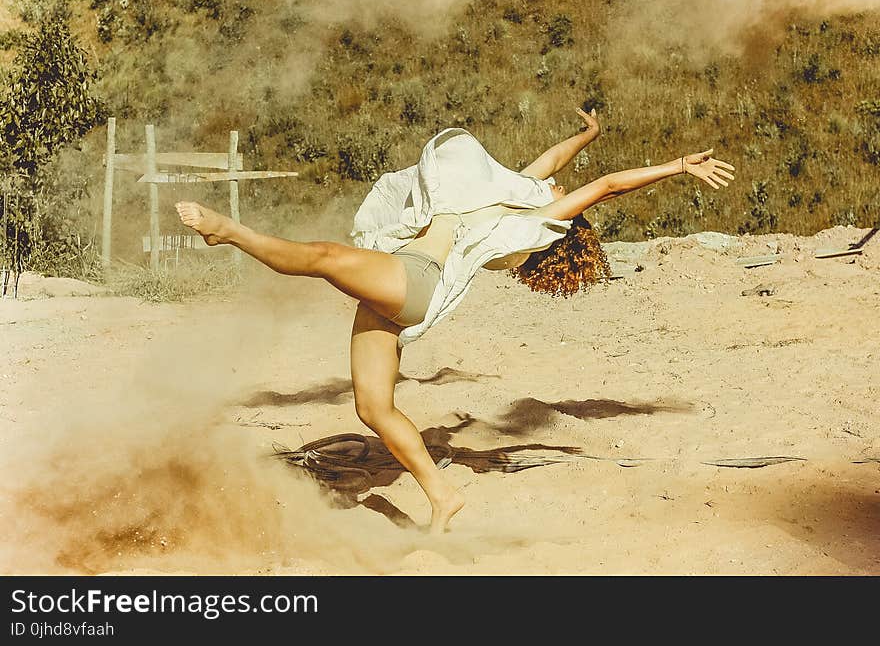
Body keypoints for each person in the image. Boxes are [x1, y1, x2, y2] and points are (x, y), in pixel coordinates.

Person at [175, 108, 735, 534]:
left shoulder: (539, 215)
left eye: (564, 194)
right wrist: (587, 136)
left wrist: (680, 166)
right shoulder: (507, 194)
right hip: (394, 295)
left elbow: (608, 184)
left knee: (322, 257)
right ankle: (443, 496)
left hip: (413, 278)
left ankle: (230, 233)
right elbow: (552, 163)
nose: (558, 183)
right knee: (373, 407)